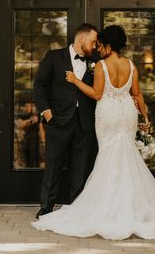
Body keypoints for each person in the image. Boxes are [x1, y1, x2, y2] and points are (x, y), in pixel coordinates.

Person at [32, 25, 155, 239]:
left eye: (100, 44)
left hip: (103, 116)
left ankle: (95, 208)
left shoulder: (100, 64)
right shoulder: (130, 65)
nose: (97, 47)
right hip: (120, 115)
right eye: (95, 43)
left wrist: (75, 81)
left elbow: (96, 93)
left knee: (100, 160)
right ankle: (52, 207)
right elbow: (138, 95)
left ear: (109, 45)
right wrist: (146, 119)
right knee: (122, 156)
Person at [33, 23, 99, 219]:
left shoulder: (95, 60)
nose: (95, 46)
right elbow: (39, 85)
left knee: (81, 166)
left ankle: (77, 206)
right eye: (93, 41)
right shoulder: (54, 57)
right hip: (58, 120)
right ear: (81, 39)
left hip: (84, 121)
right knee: (53, 164)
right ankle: (46, 206)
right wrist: (47, 113)